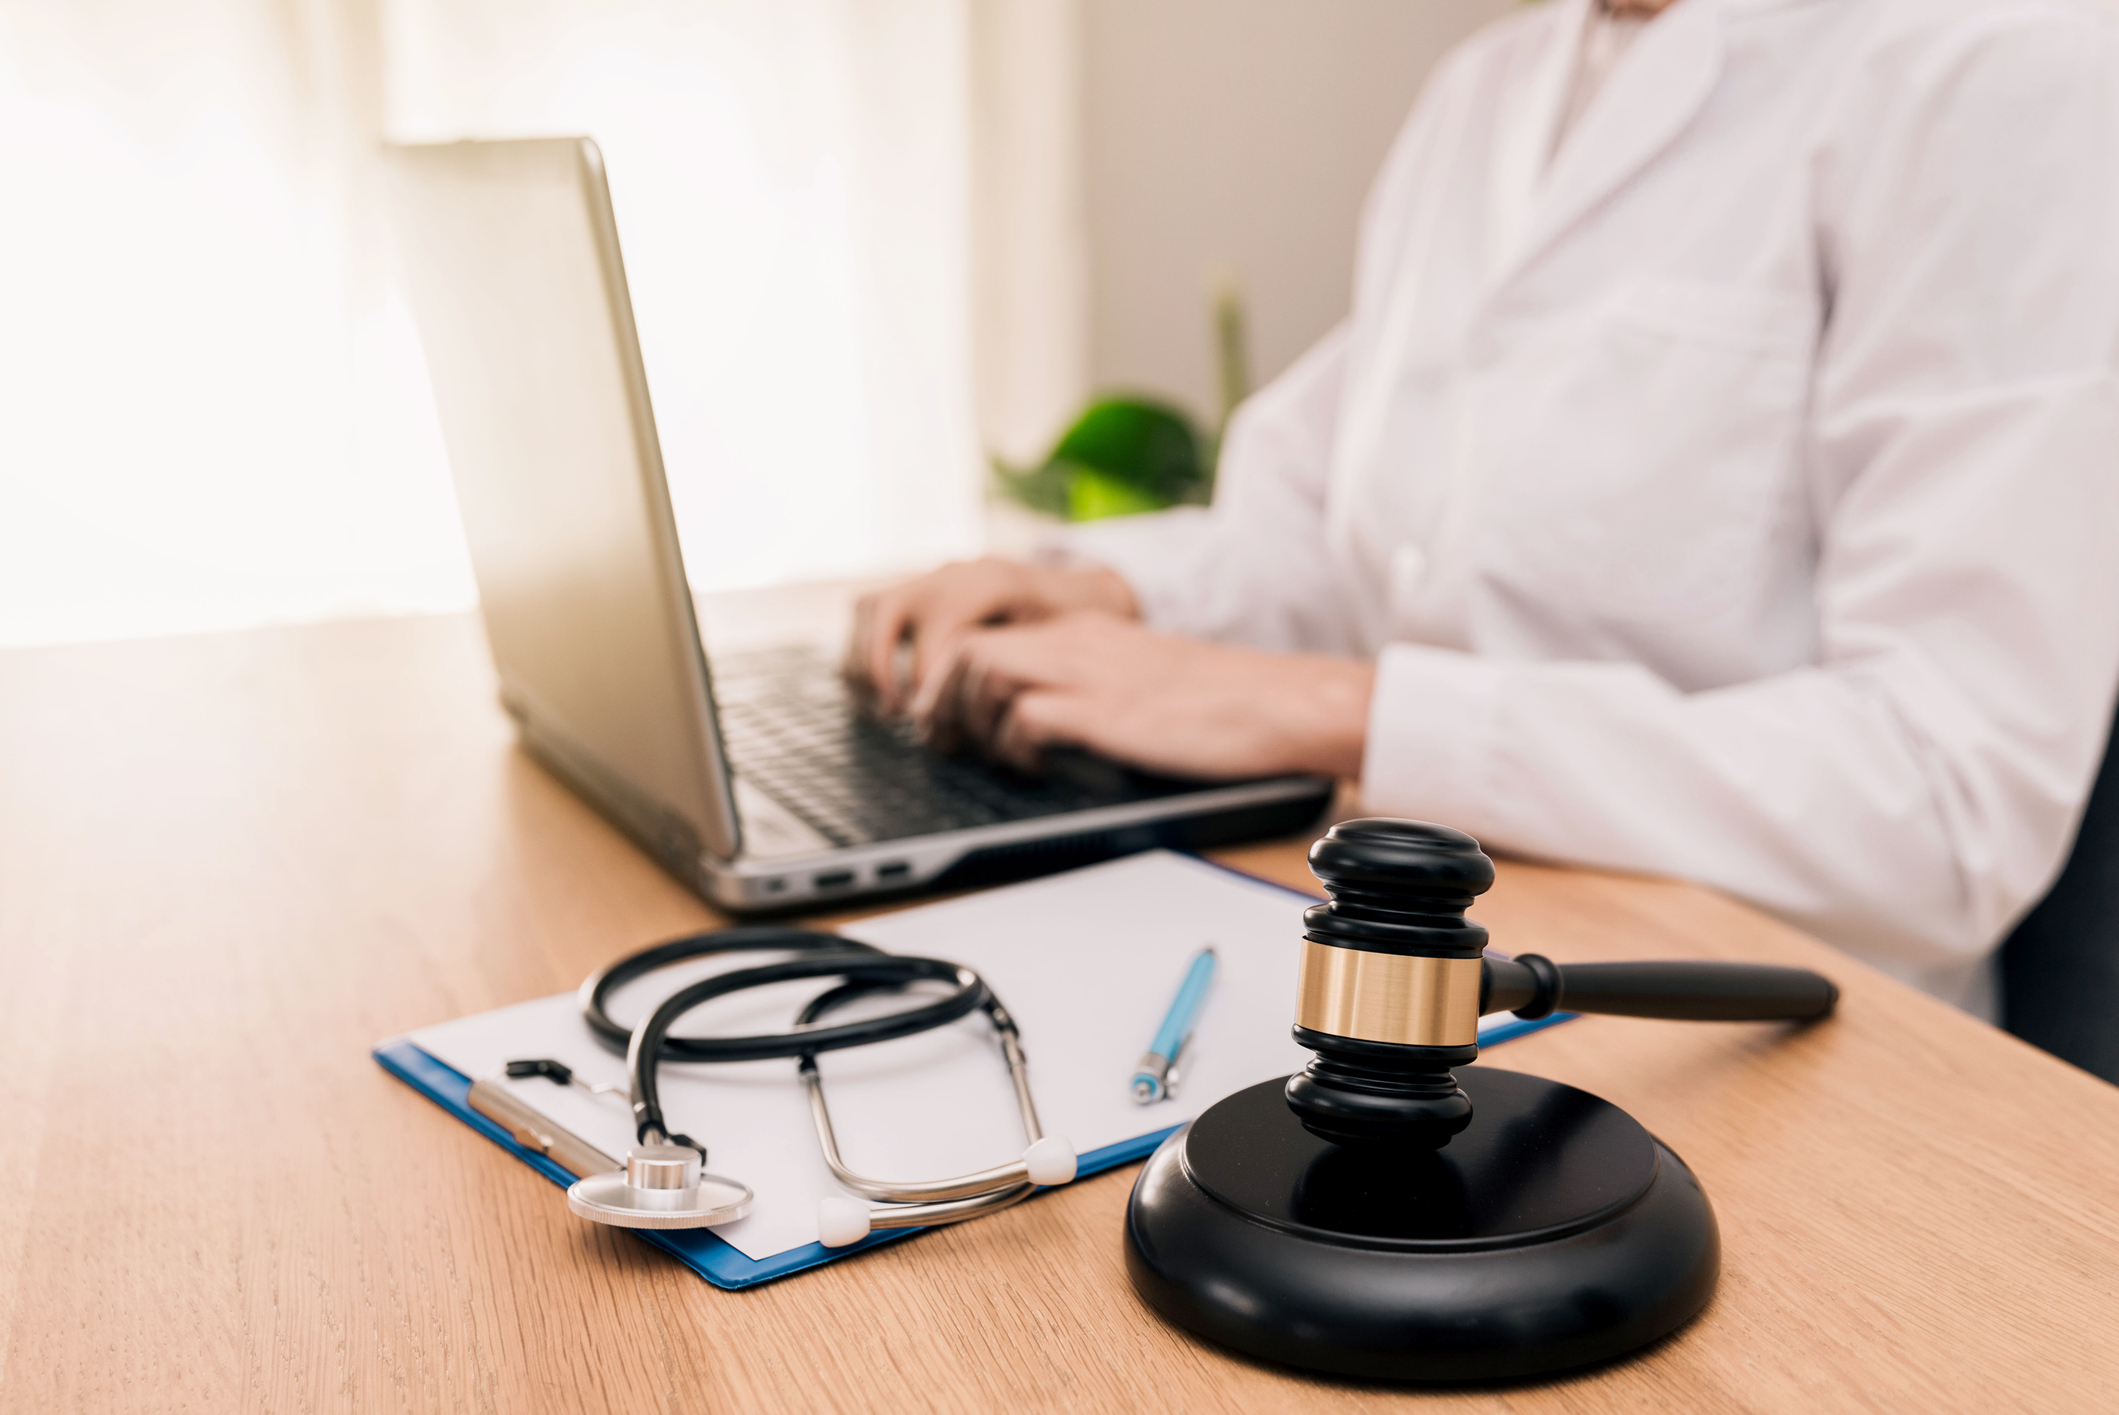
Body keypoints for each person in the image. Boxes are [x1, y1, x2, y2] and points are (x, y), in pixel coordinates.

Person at [844, 0, 2119, 1017]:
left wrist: (1340, 709)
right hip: (1425, 935)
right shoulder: (1496, 84)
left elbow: (1945, 806)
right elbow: (1347, 526)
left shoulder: (2001, 66)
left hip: (1763, 1021)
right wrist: (1120, 595)